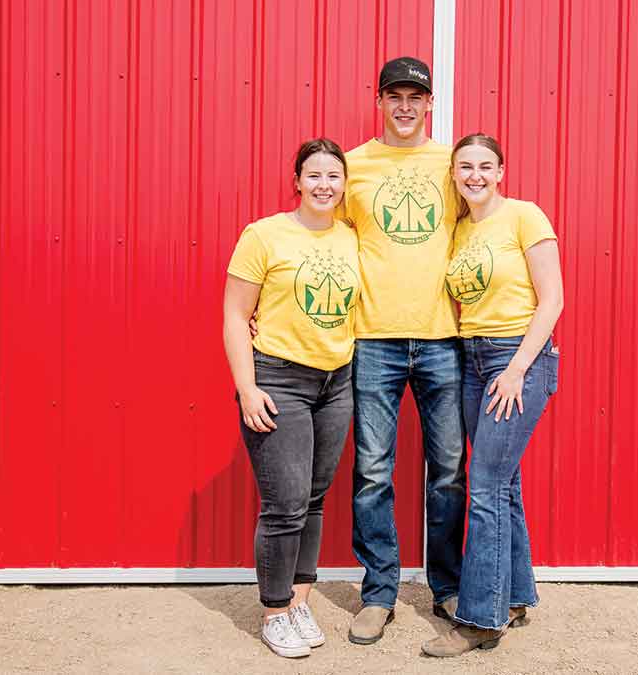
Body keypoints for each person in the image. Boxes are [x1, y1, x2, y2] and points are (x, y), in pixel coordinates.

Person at [422, 133, 563, 657]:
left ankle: (481, 618)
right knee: (502, 484)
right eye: (465, 167)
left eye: (485, 165)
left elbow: (552, 298)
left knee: (483, 486)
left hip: (517, 356)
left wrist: (517, 369)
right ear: (455, 174)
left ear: (501, 171)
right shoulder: (458, 229)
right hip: (472, 358)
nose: (475, 175)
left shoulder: (526, 216)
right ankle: (517, 594)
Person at [344, 57, 467, 645]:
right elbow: (327, 235)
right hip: (373, 338)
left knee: (447, 472)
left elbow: (486, 228)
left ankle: (446, 586)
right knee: (372, 471)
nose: (405, 106)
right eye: (394, 95)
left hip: (443, 335)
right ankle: (379, 592)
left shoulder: (452, 163)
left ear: (430, 103)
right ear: (379, 101)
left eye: (415, 96)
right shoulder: (353, 165)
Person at [223, 138, 360, 659]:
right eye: (315, 175)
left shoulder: (351, 237)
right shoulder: (263, 236)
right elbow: (236, 315)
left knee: (314, 498)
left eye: (334, 176)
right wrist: (247, 386)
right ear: (297, 181)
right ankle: (275, 611)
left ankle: (300, 600)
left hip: (337, 381)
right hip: (279, 379)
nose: (325, 185)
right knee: (283, 505)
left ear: (344, 185)